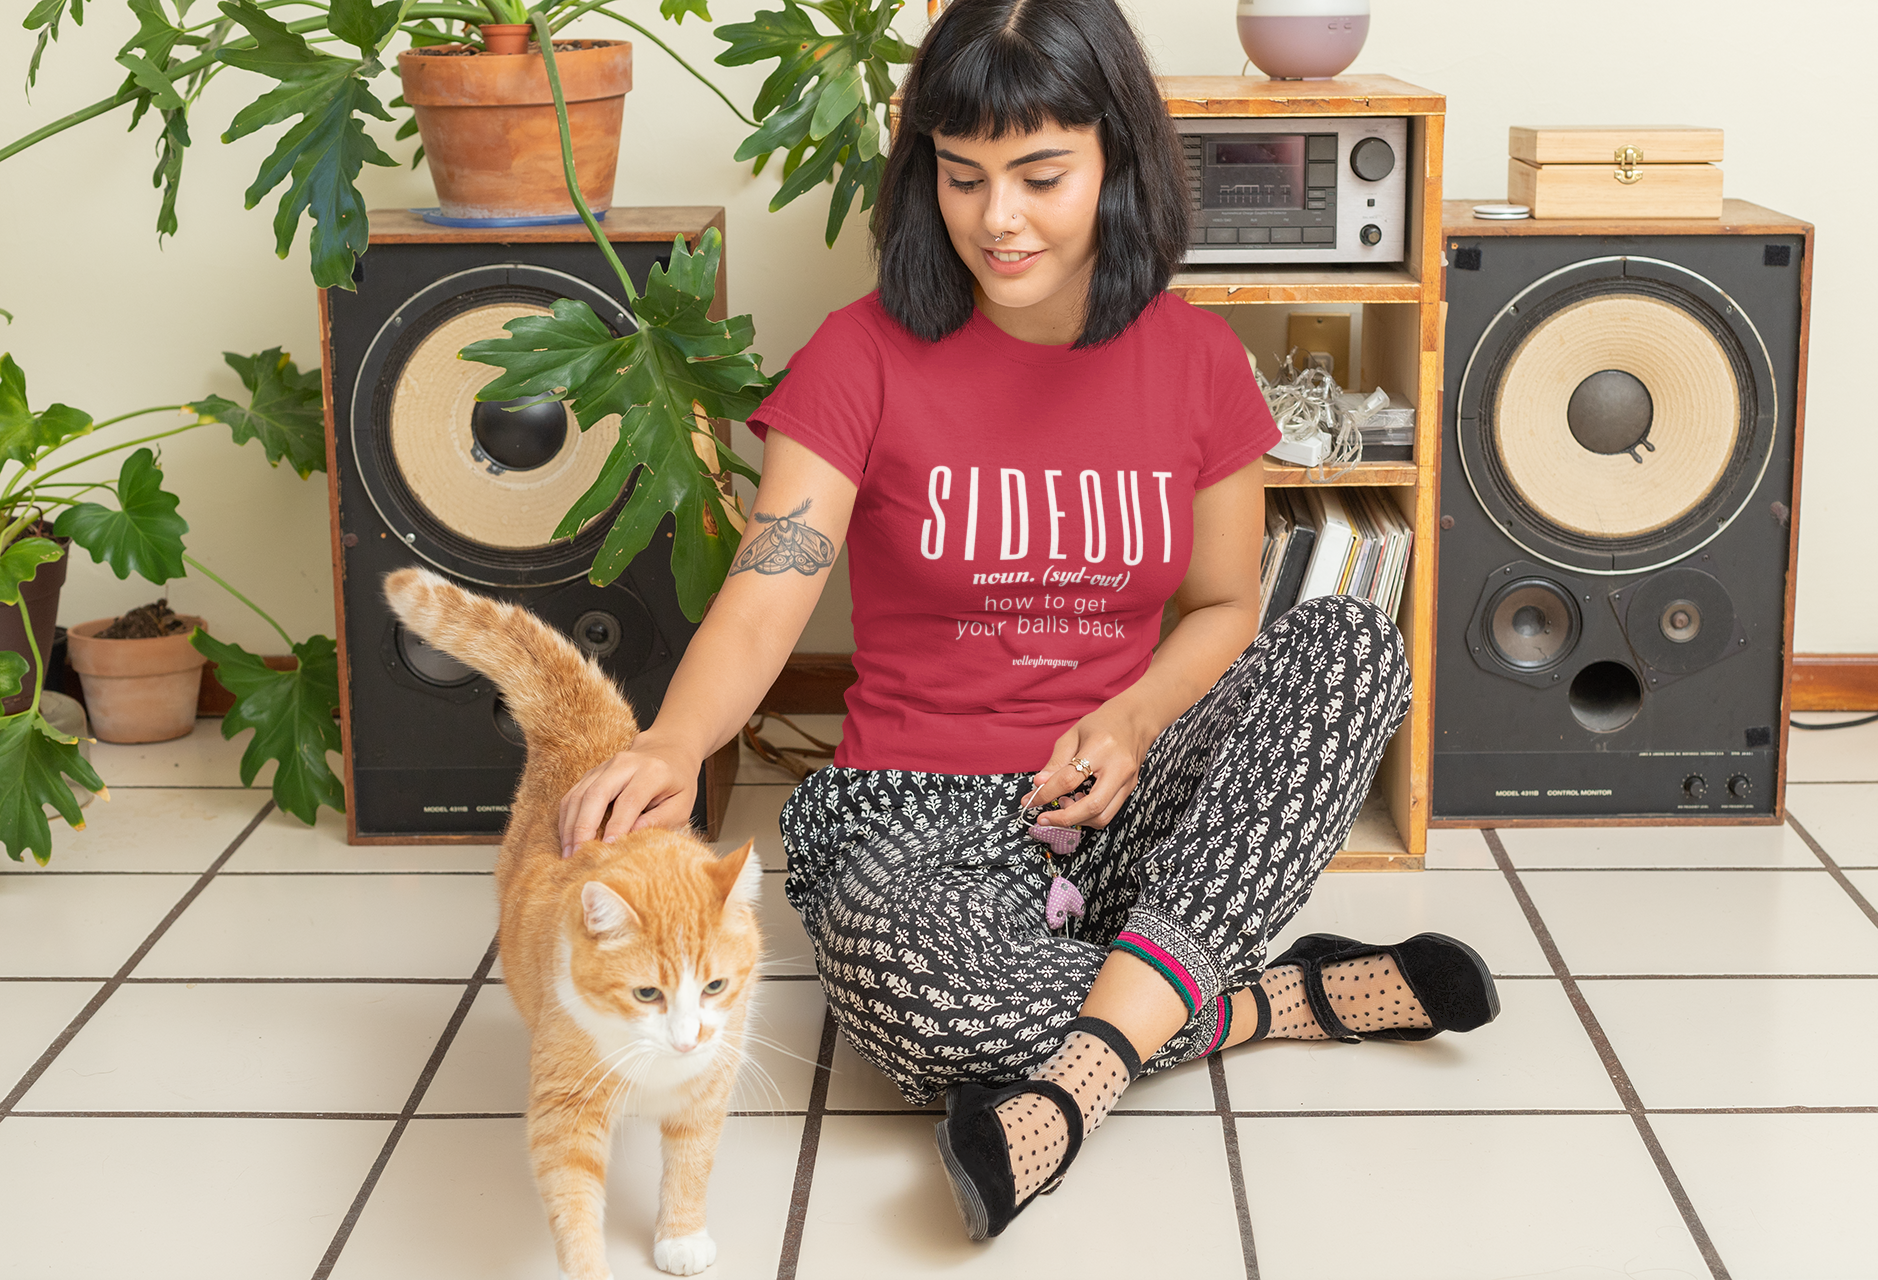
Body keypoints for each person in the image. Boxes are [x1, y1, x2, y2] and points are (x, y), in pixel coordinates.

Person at [557, 0, 1498, 1242]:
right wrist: (673, 743)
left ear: (1116, 159)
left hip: (1120, 780)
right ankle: (1256, 995)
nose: (998, 219)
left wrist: (1132, 715)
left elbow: (1223, 607)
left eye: (1040, 175)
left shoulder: (1198, 363)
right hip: (914, 819)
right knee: (916, 994)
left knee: (1351, 652)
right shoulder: (862, 357)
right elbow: (770, 585)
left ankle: (1072, 1075)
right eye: (963, 177)